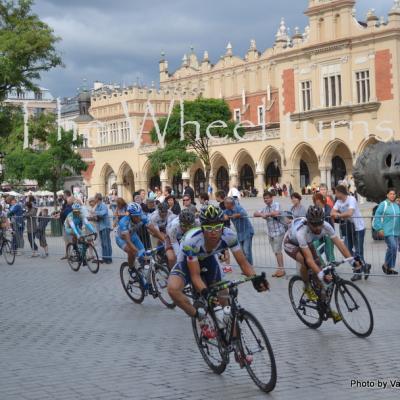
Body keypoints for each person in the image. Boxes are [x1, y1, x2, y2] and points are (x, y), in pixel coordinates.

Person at [167, 205, 268, 336]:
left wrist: (255, 279)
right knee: (173, 289)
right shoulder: (191, 240)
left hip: (209, 260)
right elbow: (195, 276)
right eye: (209, 228)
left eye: (217, 227)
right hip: (187, 263)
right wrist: (205, 292)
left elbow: (243, 263)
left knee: (224, 297)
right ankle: (201, 318)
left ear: (222, 225)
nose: (214, 232)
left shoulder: (229, 235)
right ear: (202, 228)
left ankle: (236, 345)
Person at [283, 206, 363, 322]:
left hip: (307, 242)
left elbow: (340, 245)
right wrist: (321, 274)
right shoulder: (302, 232)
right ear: (308, 223)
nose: (317, 227)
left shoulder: (326, 226)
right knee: (306, 263)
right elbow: (309, 260)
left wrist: (352, 261)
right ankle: (306, 286)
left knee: (320, 281)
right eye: (314, 225)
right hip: (291, 243)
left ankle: (327, 309)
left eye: (319, 223)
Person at [331, 185, 370, 281]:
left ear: (340, 193)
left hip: (358, 227)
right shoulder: (338, 201)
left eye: (336, 192)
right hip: (348, 226)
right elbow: (332, 213)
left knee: (358, 250)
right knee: (347, 248)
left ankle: (358, 272)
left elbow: (350, 213)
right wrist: (339, 215)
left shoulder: (351, 199)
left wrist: (339, 215)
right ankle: (364, 265)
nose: (335, 194)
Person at [116, 202, 164, 268]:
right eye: (136, 216)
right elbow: (128, 241)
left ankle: (143, 270)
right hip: (122, 239)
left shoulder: (142, 217)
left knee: (144, 255)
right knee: (132, 252)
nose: (138, 218)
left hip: (132, 235)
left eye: (139, 215)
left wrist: (163, 240)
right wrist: (136, 251)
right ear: (130, 215)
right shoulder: (123, 222)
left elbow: (153, 229)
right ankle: (131, 268)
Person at [254, 191, 286, 278]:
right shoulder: (265, 208)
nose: (266, 200)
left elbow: (276, 212)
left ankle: (282, 269)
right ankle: (279, 268)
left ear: (272, 198)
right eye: (264, 198)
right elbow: (255, 213)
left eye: (267, 198)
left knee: (278, 251)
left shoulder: (276, 204)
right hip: (271, 233)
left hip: (279, 232)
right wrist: (261, 214)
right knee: (276, 251)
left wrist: (266, 214)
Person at [373, 188, 400, 275]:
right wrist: (379, 228)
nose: (393, 195)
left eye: (394, 194)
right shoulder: (383, 204)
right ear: (387, 195)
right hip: (387, 231)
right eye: (391, 194)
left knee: (393, 249)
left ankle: (390, 267)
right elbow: (377, 216)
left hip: (396, 231)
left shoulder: (396, 205)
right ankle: (386, 265)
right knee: (393, 247)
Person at [223, 197, 254, 265]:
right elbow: (222, 214)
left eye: (225, 204)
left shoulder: (238, 207)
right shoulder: (227, 210)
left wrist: (236, 215)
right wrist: (224, 216)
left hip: (247, 231)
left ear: (229, 204)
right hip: (239, 233)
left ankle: (249, 266)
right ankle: (248, 265)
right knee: (242, 251)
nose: (224, 205)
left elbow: (244, 213)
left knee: (246, 251)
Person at [312, 193, 335, 263]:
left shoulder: (327, 207)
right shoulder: (314, 208)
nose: (317, 202)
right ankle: (322, 265)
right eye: (315, 201)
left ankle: (332, 265)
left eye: (318, 200)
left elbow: (328, 214)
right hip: (318, 233)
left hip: (328, 232)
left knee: (329, 251)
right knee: (313, 247)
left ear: (321, 200)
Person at [93, 193, 113, 264]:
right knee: (103, 243)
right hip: (101, 227)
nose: (94, 200)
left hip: (105, 227)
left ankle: (109, 258)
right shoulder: (98, 206)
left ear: (98, 199)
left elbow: (103, 213)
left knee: (106, 243)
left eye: (95, 198)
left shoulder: (103, 205)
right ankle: (105, 257)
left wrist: (95, 213)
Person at [215, 190, 232, 272]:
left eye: (216, 196)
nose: (215, 198)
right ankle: (226, 265)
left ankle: (228, 266)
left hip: (224, 226)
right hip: (226, 226)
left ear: (219, 196)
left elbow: (223, 216)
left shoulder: (222, 205)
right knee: (224, 247)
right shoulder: (224, 204)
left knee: (225, 247)